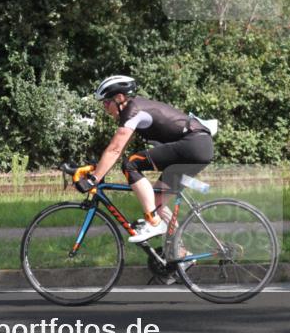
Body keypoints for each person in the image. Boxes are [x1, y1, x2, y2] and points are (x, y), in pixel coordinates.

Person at [74, 75, 214, 244]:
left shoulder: (133, 110)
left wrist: (93, 179)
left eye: (106, 102)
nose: (105, 108)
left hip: (193, 145)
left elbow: (115, 149)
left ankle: (153, 221)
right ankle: (179, 253)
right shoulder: (136, 109)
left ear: (119, 98)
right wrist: (98, 169)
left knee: (130, 163)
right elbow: (118, 149)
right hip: (199, 147)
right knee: (157, 201)